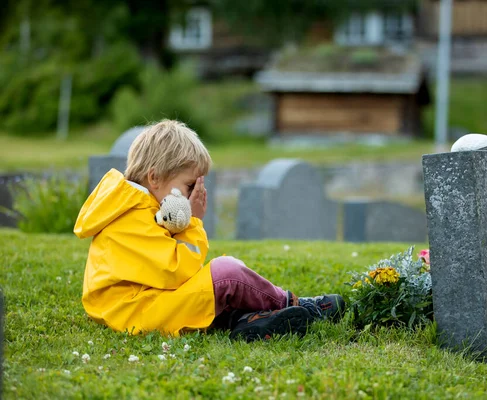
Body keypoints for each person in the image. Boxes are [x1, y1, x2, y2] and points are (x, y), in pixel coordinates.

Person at [74, 119, 345, 341]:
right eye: (189, 185)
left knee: (217, 284)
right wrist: (193, 222)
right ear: (154, 177)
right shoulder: (131, 218)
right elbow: (180, 270)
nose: (194, 194)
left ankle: (249, 320)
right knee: (225, 274)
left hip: (141, 305)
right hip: (136, 312)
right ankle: (293, 305)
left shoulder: (136, 205)